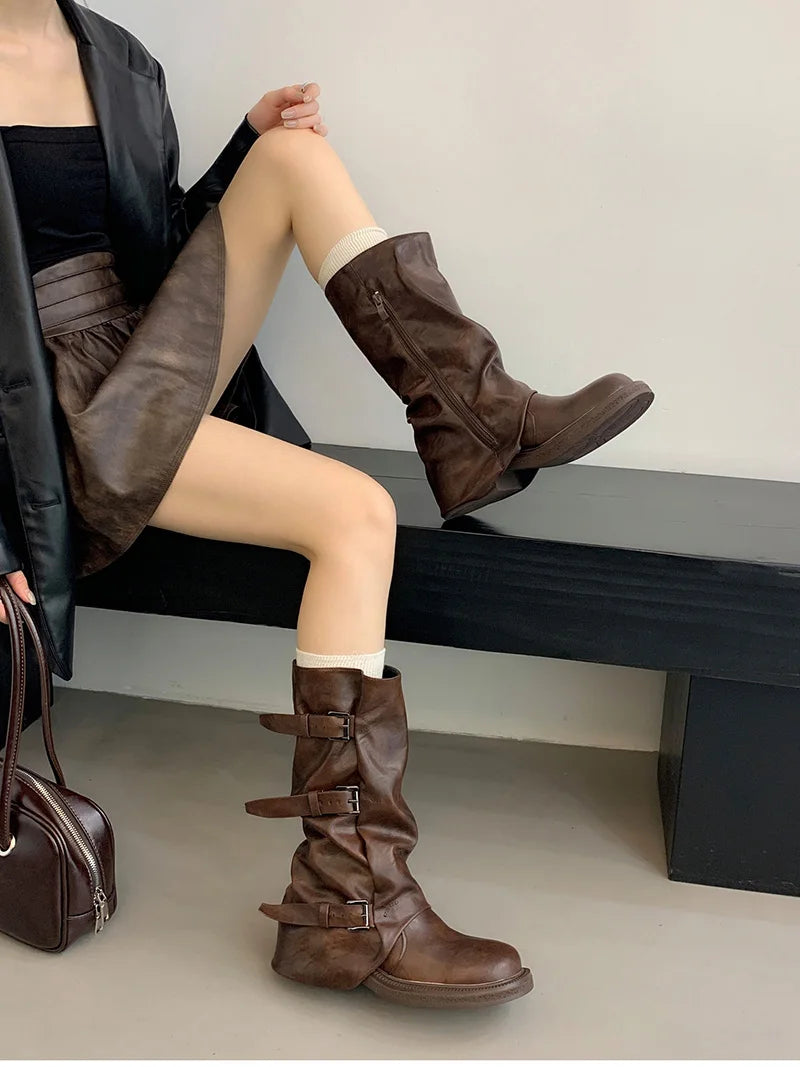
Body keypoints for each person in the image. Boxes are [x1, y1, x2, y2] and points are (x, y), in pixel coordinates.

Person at [0, 0, 653, 1009]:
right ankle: (348, 904)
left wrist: (241, 153)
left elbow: (155, 243)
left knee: (291, 158)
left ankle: (469, 406)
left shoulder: (116, 59)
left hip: (138, 357)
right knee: (355, 513)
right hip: (46, 417)